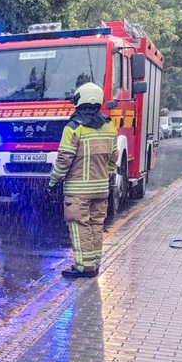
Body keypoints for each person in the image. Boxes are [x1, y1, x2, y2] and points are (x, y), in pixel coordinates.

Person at [48, 82, 118, 278]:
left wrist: (54, 181)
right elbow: (114, 156)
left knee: (79, 226)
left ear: (79, 101)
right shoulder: (109, 125)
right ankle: (94, 263)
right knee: (96, 224)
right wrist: (106, 174)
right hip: (101, 188)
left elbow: (64, 159)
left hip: (78, 190)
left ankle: (83, 267)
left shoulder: (73, 128)